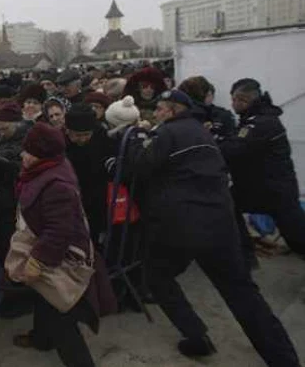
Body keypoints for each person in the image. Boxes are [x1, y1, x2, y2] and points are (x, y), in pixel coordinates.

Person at [123, 90, 300, 366]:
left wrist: (136, 137)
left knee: (157, 276)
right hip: (221, 224)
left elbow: (140, 166)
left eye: (158, 109)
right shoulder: (201, 132)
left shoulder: (169, 133)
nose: (155, 114)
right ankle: (285, 360)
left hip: (180, 228)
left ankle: (196, 337)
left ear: (171, 111)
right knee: (244, 296)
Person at [11, 122, 114, 367]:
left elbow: (59, 231)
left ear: (42, 154)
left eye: (28, 151)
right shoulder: (45, 170)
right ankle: (42, 338)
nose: (22, 155)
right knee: (44, 299)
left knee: (61, 319)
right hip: (49, 249)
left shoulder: (57, 185)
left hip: (61, 257)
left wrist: (37, 260)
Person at [219, 78, 305, 256]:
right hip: (256, 187)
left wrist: (213, 141)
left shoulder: (263, 122)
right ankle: (245, 246)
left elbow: (235, 148)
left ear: (251, 100)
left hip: (275, 190)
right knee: (226, 203)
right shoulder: (251, 119)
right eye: (233, 98)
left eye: (240, 99)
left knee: (297, 237)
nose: (235, 103)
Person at [64, 104, 114, 244]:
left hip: (96, 199)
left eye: (86, 135)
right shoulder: (61, 142)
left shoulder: (102, 139)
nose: (82, 139)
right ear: (68, 131)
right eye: (77, 135)